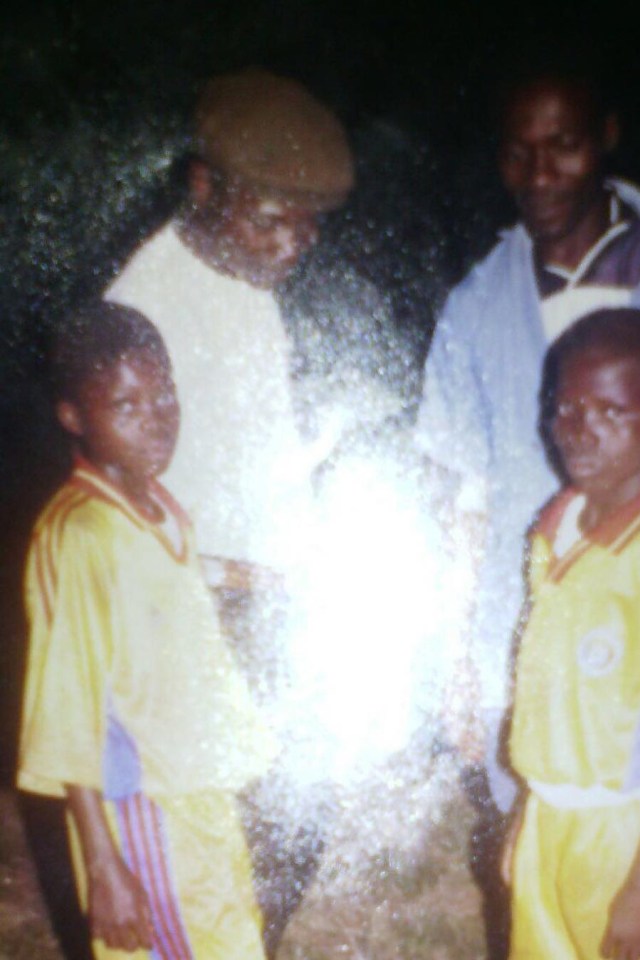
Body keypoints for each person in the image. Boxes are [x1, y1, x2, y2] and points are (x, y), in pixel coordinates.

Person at [415, 63, 640, 960]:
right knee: (537, 881)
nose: (538, 173)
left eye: (562, 144)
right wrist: (457, 653)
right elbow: (454, 494)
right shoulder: (473, 305)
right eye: (516, 152)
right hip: (526, 648)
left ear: (606, 135)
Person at [104, 66, 418, 957]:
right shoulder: (142, 312)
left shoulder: (247, 281)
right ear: (203, 186)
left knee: (294, 819)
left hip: (276, 604)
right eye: (273, 218)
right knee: (218, 839)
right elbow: (121, 519)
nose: (294, 244)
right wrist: (240, 577)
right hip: (199, 619)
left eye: (310, 223)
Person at [17, 302, 276, 959]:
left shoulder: (152, 502)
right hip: (144, 816)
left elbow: (151, 586)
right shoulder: (80, 534)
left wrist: (230, 573)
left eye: (163, 396)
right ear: (74, 417)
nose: (155, 421)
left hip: (195, 796)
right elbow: (68, 701)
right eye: (125, 407)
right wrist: (104, 864)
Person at [501, 307, 640, 959]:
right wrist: (530, 814)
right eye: (567, 408)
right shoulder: (558, 530)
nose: (580, 432)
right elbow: (552, 705)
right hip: (553, 824)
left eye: (611, 412)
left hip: (630, 838)